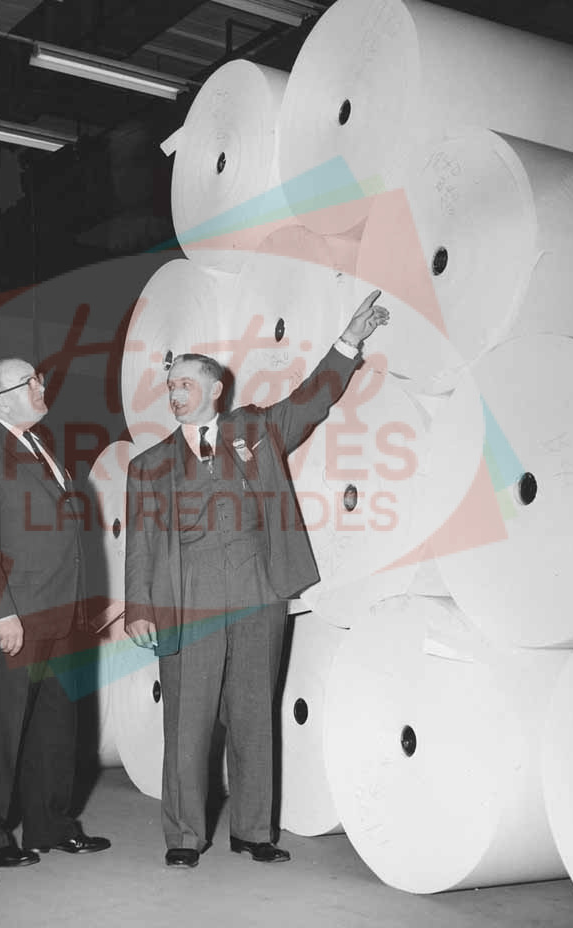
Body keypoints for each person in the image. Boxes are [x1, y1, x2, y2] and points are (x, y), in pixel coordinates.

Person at [124, 290, 390, 868]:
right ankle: (184, 837)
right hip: (187, 601)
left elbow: (310, 402)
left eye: (185, 384)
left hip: (258, 593)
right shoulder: (148, 465)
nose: (175, 394)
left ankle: (253, 830)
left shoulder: (256, 430)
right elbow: (140, 544)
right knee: (187, 721)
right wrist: (139, 607)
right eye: (170, 387)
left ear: (215, 389)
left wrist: (348, 342)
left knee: (253, 713)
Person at [0, 357, 110, 870]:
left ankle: (50, 824)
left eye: (38, 378)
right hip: (17, 614)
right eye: (28, 382)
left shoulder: (37, 444)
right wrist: (0, 613)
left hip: (59, 610)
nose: (41, 386)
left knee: (55, 726)